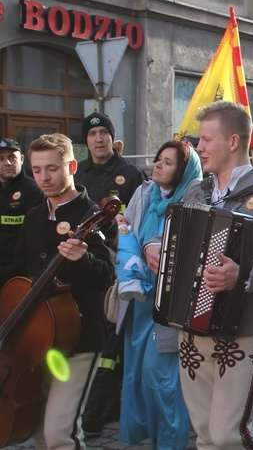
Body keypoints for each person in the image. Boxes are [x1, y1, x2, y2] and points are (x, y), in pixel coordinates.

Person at [144, 101, 253, 448]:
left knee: (230, 433)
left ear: (233, 141)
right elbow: (171, 230)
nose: (198, 148)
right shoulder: (198, 190)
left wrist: (243, 274)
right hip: (192, 325)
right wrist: (153, 246)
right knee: (204, 432)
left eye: (205, 140)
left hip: (245, 326)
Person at [0, 133, 117, 449]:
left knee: (59, 434)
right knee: (38, 430)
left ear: (72, 166)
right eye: (37, 170)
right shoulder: (35, 214)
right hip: (35, 338)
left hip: (78, 336)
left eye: (52, 169)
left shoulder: (94, 216)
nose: (44, 177)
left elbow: (106, 275)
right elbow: (19, 271)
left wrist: (83, 259)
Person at [117, 140, 202, 448]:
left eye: (168, 162)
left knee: (161, 377)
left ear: (182, 171)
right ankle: (150, 438)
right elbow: (128, 230)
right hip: (140, 298)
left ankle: (170, 442)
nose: (158, 165)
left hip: (168, 304)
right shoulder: (142, 194)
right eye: (158, 159)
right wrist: (123, 230)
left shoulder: (192, 200)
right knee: (137, 375)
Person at [75, 111, 147, 433]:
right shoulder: (78, 173)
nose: (98, 138)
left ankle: (103, 403)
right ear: (86, 140)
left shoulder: (130, 174)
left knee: (113, 333)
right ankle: (93, 397)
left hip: (118, 263)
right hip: (84, 261)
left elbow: (141, 219)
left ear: (111, 137)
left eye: (104, 132)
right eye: (92, 135)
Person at [0, 138, 44, 266]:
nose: (7, 162)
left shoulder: (33, 189)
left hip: (18, 267)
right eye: (1, 158)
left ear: (22, 159)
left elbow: (35, 236)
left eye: (12, 157)